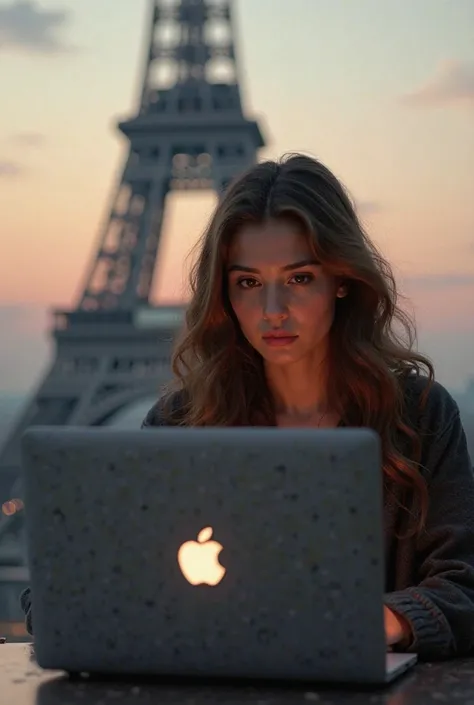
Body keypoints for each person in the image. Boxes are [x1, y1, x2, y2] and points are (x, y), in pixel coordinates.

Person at [21, 154, 474, 661]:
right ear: (224, 292)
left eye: (299, 278)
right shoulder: (179, 422)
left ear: (342, 280)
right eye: (249, 282)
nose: (273, 310)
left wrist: (360, 624)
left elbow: (464, 589)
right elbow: (66, 592)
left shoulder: (419, 415)